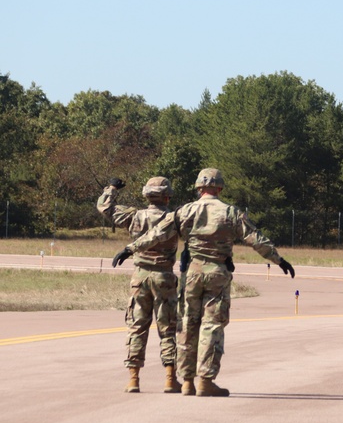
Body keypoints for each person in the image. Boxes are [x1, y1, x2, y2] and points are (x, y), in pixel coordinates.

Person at [111, 168, 295, 397]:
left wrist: (130, 249)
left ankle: (186, 380)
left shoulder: (184, 211)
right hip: (217, 273)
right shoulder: (231, 212)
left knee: (187, 324)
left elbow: (156, 234)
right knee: (212, 326)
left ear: (199, 188)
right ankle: (205, 380)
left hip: (192, 273)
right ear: (219, 188)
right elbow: (255, 239)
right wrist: (279, 260)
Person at [97, 176, 182, 394]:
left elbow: (105, 207)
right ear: (167, 195)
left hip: (140, 278)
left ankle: (133, 379)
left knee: (137, 327)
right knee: (168, 329)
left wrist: (112, 188)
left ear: (146, 195)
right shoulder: (174, 218)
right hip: (164, 277)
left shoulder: (134, 216)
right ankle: (170, 379)